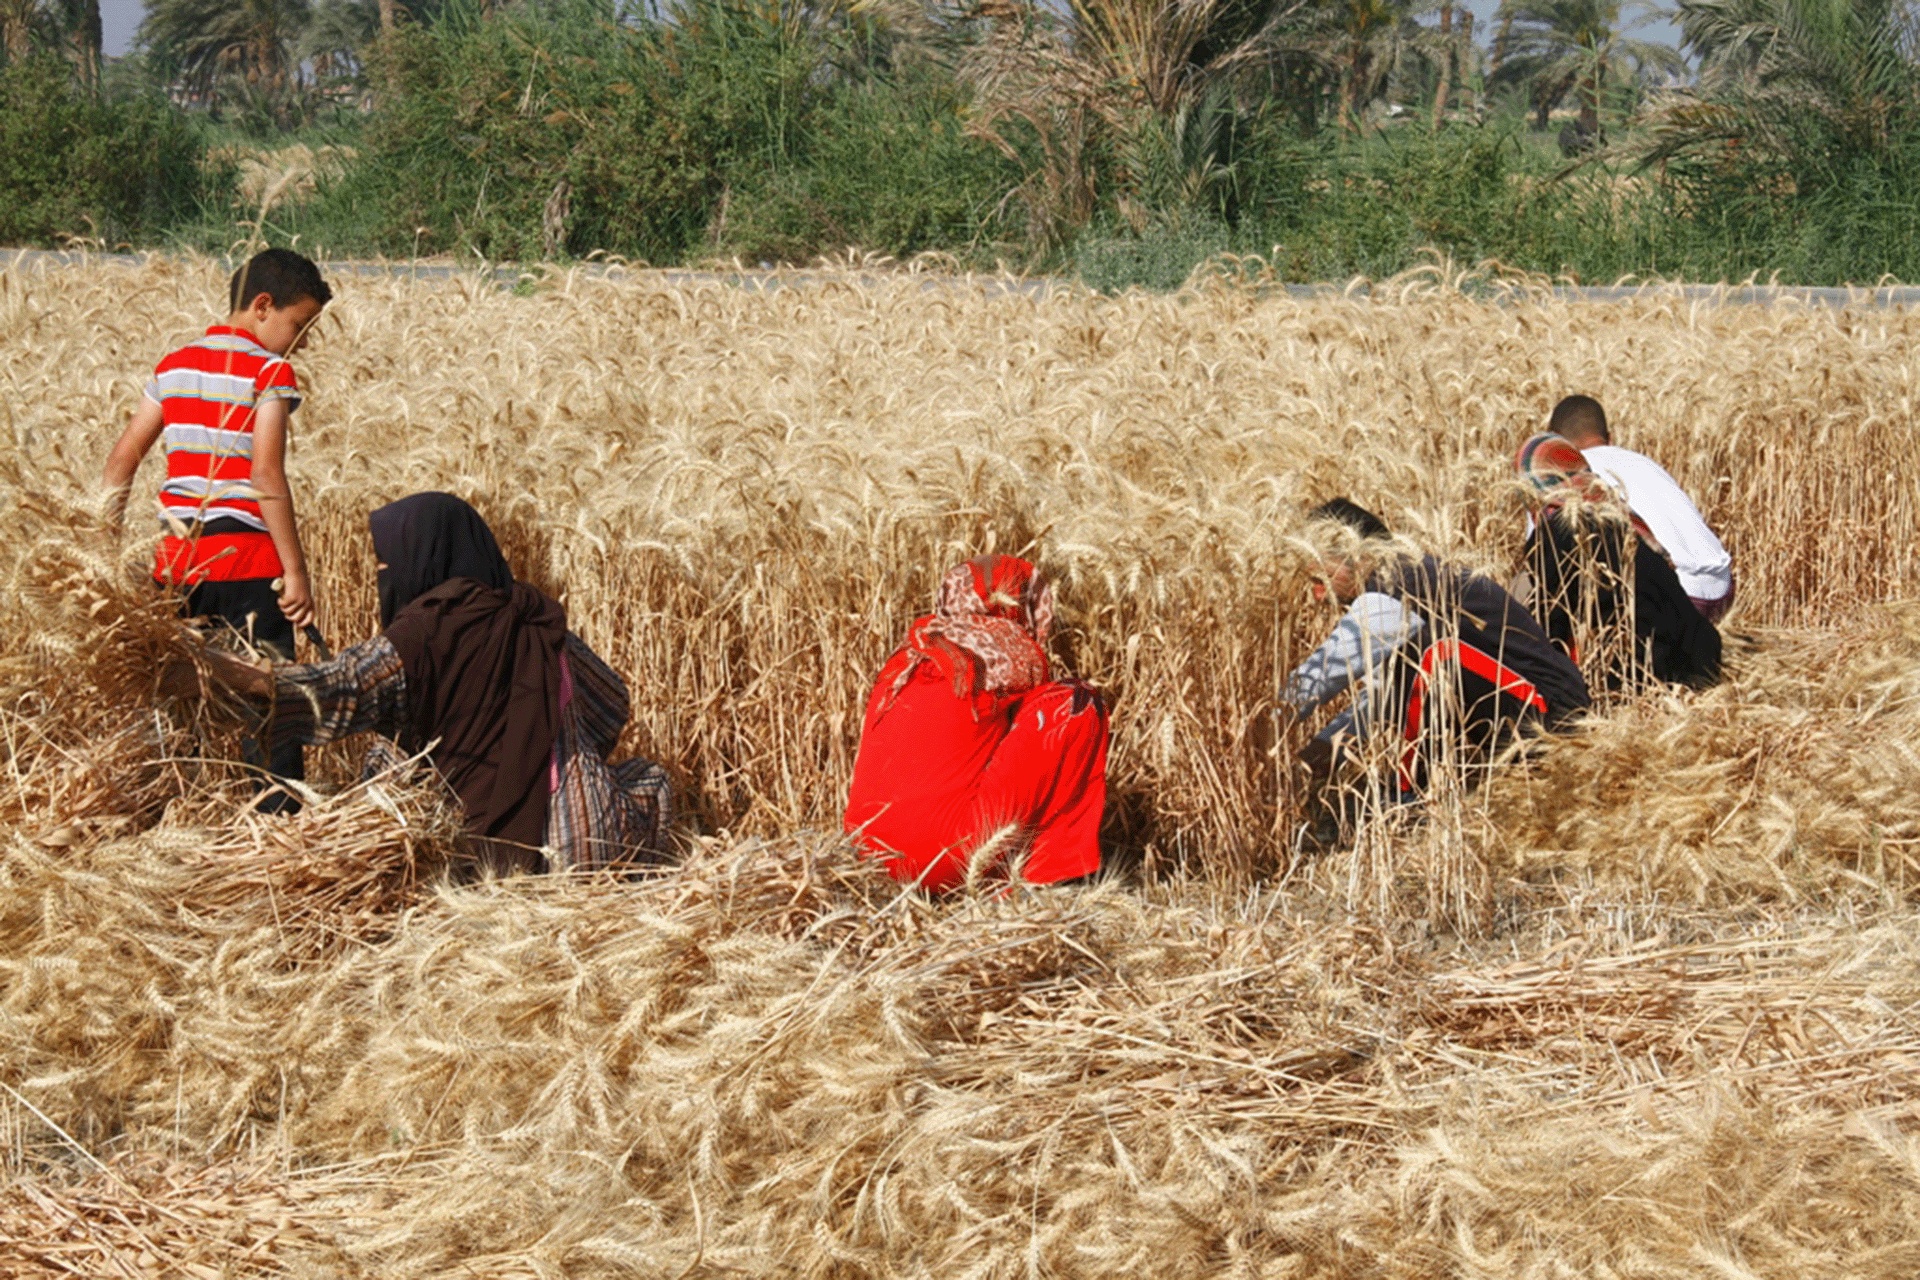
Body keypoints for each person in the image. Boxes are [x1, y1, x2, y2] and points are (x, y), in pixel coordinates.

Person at [167, 493, 671, 874]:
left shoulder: (426, 631)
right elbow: (612, 702)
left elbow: (333, 687)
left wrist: (210, 667)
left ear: (424, 559)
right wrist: (543, 748)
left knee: (390, 757)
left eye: (388, 564)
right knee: (649, 778)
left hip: (463, 852)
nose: (385, 576)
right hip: (584, 836)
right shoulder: (533, 614)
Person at [103, 248, 333, 810]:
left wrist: (103, 554)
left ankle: (166, 812)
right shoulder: (270, 371)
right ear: (262, 306)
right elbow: (265, 475)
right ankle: (278, 821)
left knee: (175, 698)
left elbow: (121, 463)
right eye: (299, 326)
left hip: (175, 563)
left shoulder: (173, 366)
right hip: (249, 565)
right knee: (269, 701)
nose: (301, 343)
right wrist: (296, 572)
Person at [1283, 499, 1591, 803]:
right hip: (1541, 703)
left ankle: (1409, 797)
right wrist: (1322, 752)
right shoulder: (1409, 576)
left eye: (1322, 579)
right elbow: (1383, 694)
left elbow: (1320, 679)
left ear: (1359, 555)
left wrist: (1268, 721)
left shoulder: (1394, 588)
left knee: (1432, 656)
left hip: (1546, 711)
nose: (1318, 595)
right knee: (1419, 657)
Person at [844, 555, 1109, 892]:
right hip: (946, 857)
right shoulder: (1010, 650)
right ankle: (1048, 872)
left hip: (864, 854)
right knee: (1075, 702)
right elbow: (1039, 749)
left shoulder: (910, 651)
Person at [1516, 432, 1722, 690]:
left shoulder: (1554, 533)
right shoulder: (1622, 517)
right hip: (1699, 661)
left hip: (1640, 678)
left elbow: (1545, 629)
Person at [1549, 395, 1735, 622]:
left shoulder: (1565, 476)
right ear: (1610, 438)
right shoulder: (1643, 462)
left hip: (1669, 597)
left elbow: (1546, 558)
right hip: (1721, 586)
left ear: (1556, 445)